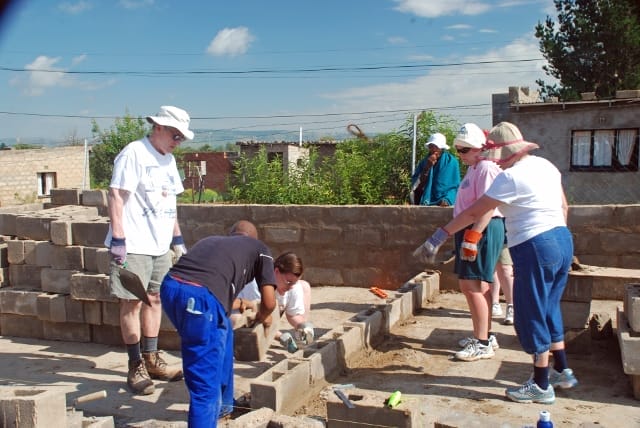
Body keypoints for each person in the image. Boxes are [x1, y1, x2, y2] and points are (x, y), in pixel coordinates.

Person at [414, 121, 577, 404]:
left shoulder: (510, 177)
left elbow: (475, 212)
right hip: (562, 239)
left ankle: (540, 385)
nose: (496, 164)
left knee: (531, 313)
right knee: (550, 306)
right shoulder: (546, 166)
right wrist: (556, 236)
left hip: (535, 245)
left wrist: (440, 235)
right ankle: (562, 370)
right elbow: (564, 206)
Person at [105, 105, 193, 395]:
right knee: (132, 303)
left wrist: (177, 240)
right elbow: (117, 195)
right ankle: (134, 365)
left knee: (154, 299)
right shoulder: (135, 153)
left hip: (160, 246)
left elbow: (170, 206)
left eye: (181, 137)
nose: (177, 141)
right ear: (157, 127)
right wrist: (118, 238)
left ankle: (152, 358)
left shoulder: (168, 161)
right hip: (134, 244)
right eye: (174, 134)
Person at [160, 223, 283, 427]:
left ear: (232, 235)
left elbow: (212, 290)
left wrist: (244, 306)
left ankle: (226, 406)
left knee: (223, 329)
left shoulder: (210, 241)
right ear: (254, 238)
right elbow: (269, 303)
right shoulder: (261, 250)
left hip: (171, 289)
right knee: (204, 386)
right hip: (199, 300)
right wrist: (262, 317)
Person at [447, 123, 505, 362]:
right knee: (475, 286)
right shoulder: (474, 168)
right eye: (458, 149)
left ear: (479, 148)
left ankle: (482, 343)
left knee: (472, 287)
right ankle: (485, 336)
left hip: (480, 229)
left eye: (464, 149)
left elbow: (487, 206)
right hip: (471, 229)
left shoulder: (486, 169)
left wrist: (474, 236)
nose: (460, 154)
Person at [272, 252, 314, 353]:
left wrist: (304, 326)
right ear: (276, 271)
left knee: (304, 286)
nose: (290, 287)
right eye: (288, 282)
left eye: (294, 283)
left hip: (269, 322)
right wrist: (280, 336)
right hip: (249, 324)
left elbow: (293, 315)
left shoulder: (292, 287)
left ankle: (301, 335)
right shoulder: (261, 286)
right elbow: (256, 321)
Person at [410, 132, 461, 206]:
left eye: (436, 146)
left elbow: (454, 186)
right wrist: (427, 167)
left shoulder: (451, 162)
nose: (433, 149)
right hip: (426, 201)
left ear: (442, 148)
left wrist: (447, 199)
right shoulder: (424, 162)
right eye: (431, 146)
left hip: (445, 202)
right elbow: (417, 186)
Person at [491, 245, 515, 325]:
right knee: (491, 266)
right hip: (486, 235)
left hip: (504, 236)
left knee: (505, 267)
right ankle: (494, 303)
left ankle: (512, 306)